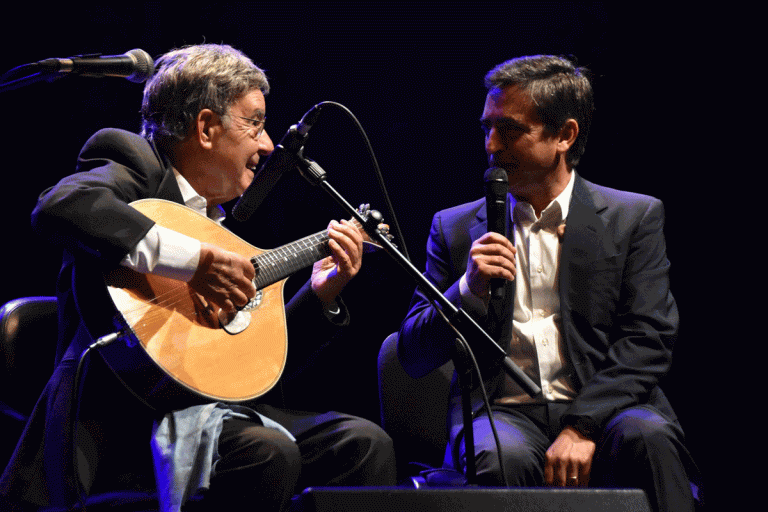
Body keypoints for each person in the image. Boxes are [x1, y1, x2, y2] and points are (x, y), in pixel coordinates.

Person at [0, 44, 395, 512]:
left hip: (213, 414)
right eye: (255, 122)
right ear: (206, 128)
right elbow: (61, 206)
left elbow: (250, 368)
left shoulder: (224, 227)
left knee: (363, 443)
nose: (268, 145)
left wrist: (319, 293)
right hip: (121, 427)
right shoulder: (135, 164)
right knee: (264, 451)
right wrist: (193, 261)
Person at [397, 55, 701, 511]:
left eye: (510, 130)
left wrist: (582, 426)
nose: (491, 146)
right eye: (486, 129)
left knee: (649, 438)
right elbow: (413, 354)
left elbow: (650, 338)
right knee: (500, 457)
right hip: (501, 412)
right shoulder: (455, 228)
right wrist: (467, 289)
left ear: (565, 135)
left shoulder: (632, 217)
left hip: (609, 404)